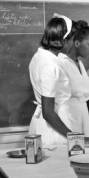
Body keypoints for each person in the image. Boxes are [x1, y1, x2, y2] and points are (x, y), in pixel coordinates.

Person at [28, 14, 75, 146]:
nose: (72, 44)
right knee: (58, 165)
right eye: (71, 40)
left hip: (46, 125)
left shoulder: (38, 56)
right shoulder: (51, 65)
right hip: (54, 129)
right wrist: (73, 137)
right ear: (63, 40)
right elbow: (48, 112)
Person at [58, 20, 89, 138]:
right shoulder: (62, 63)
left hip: (83, 117)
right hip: (70, 118)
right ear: (77, 43)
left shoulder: (79, 63)